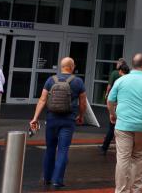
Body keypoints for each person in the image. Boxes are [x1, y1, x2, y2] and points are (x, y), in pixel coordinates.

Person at [107, 53, 142, 193]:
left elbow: (110, 101)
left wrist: (113, 114)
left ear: (133, 65)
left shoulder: (121, 80)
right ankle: (136, 189)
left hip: (123, 125)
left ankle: (121, 190)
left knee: (123, 158)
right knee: (140, 156)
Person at [29, 57, 87, 189]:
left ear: (61, 67)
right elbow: (83, 103)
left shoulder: (51, 80)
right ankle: (57, 180)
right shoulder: (78, 82)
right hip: (68, 120)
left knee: (50, 149)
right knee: (62, 150)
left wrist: (35, 118)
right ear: (72, 67)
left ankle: (47, 178)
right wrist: (81, 116)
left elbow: (42, 100)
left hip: (52, 119)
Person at [100, 59, 128, 154]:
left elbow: (110, 90)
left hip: (116, 105)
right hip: (126, 106)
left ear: (120, 69)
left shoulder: (116, 75)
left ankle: (104, 148)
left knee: (112, 127)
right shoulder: (130, 79)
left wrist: (107, 94)